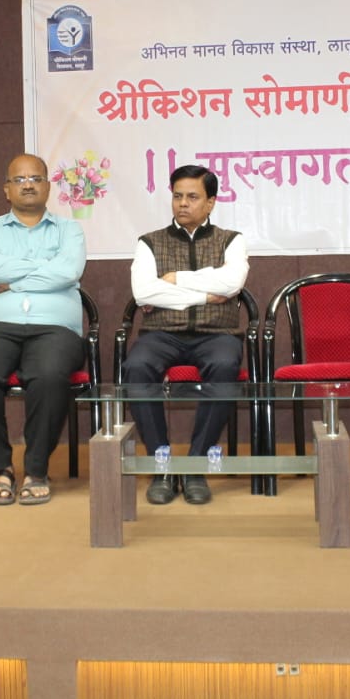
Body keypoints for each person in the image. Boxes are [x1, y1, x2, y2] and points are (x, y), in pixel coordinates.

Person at [0, 154, 87, 507]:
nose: (28, 185)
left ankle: (36, 469)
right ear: (6, 189)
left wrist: (12, 283)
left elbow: (69, 272)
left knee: (48, 375)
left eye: (35, 178)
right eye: (19, 179)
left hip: (55, 328)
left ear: (48, 186)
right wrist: (44, 267)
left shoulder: (70, 230)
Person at [121, 164, 249, 506]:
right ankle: (161, 465)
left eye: (193, 197)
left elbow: (231, 283)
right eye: (178, 196)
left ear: (211, 203)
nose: (183, 203)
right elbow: (144, 293)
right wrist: (206, 294)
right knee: (136, 368)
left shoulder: (231, 240)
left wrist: (175, 279)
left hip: (217, 333)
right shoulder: (149, 242)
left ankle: (195, 465)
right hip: (162, 334)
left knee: (225, 365)